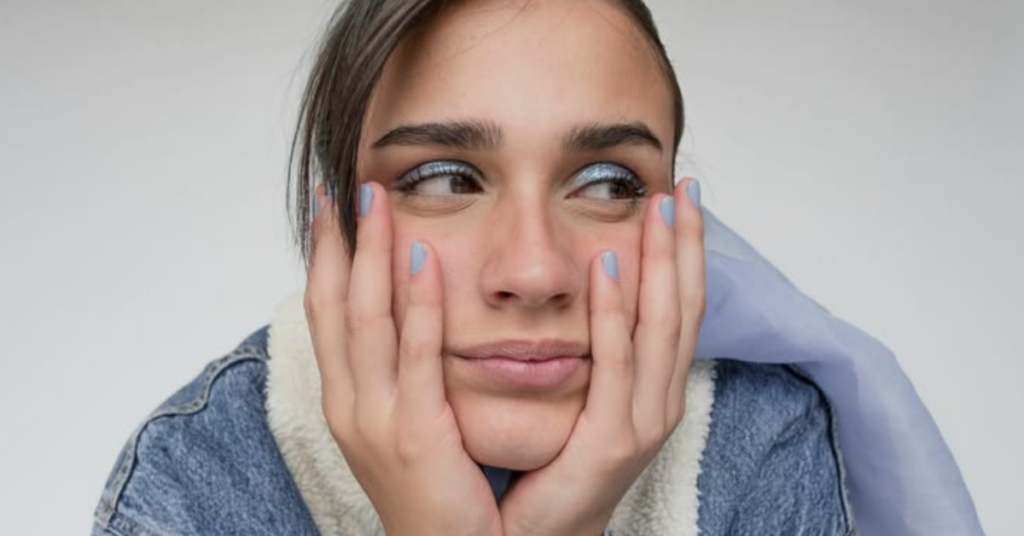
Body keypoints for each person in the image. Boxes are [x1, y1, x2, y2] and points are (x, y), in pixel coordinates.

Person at [91, 1, 982, 535]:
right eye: (445, 178)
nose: (533, 269)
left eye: (606, 183)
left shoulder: (759, 440)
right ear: (342, 232)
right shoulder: (198, 475)